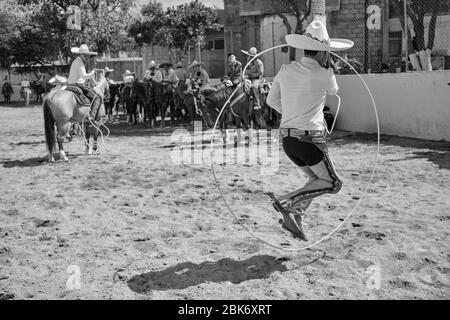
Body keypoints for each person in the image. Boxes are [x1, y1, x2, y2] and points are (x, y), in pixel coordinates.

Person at [266, 20, 354, 241]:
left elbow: (271, 100)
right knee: (333, 183)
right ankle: (287, 203)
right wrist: (328, 65)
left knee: (316, 180)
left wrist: (291, 113)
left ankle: (296, 217)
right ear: (324, 53)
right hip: (310, 140)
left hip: (288, 141)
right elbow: (334, 90)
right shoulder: (325, 73)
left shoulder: (286, 69)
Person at [67, 44, 100, 121]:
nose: (86, 57)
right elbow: (84, 76)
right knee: (97, 98)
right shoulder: (79, 62)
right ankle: (91, 118)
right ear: (81, 54)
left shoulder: (76, 61)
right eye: (85, 55)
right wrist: (93, 73)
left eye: (87, 56)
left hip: (71, 85)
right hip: (79, 86)